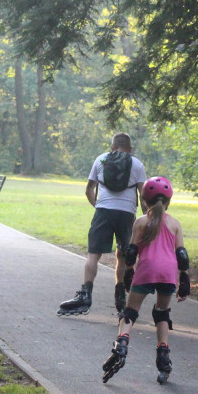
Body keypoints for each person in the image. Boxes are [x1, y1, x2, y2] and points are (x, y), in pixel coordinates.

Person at [101, 176, 190, 385]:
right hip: (168, 272)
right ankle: (163, 357)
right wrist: (185, 277)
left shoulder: (140, 222)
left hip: (147, 269)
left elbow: (130, 252)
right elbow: (182, 255)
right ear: (169, 201)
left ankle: (121, 344)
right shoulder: (175, 224)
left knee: (130, 312)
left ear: (144, 200)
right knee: (161, 313)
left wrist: (129, 271)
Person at [58, 133, 146, 316]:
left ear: (112, 147)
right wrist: (146, 216)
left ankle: (85, 295)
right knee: (122, 256)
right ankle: (121, 298)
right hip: (127, 213)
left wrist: (98, 206)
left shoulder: (101, 159)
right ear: (130, 149)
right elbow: (143, 195)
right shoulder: (137, 164)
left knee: (93, 254)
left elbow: (89, 189)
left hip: (103, 211)